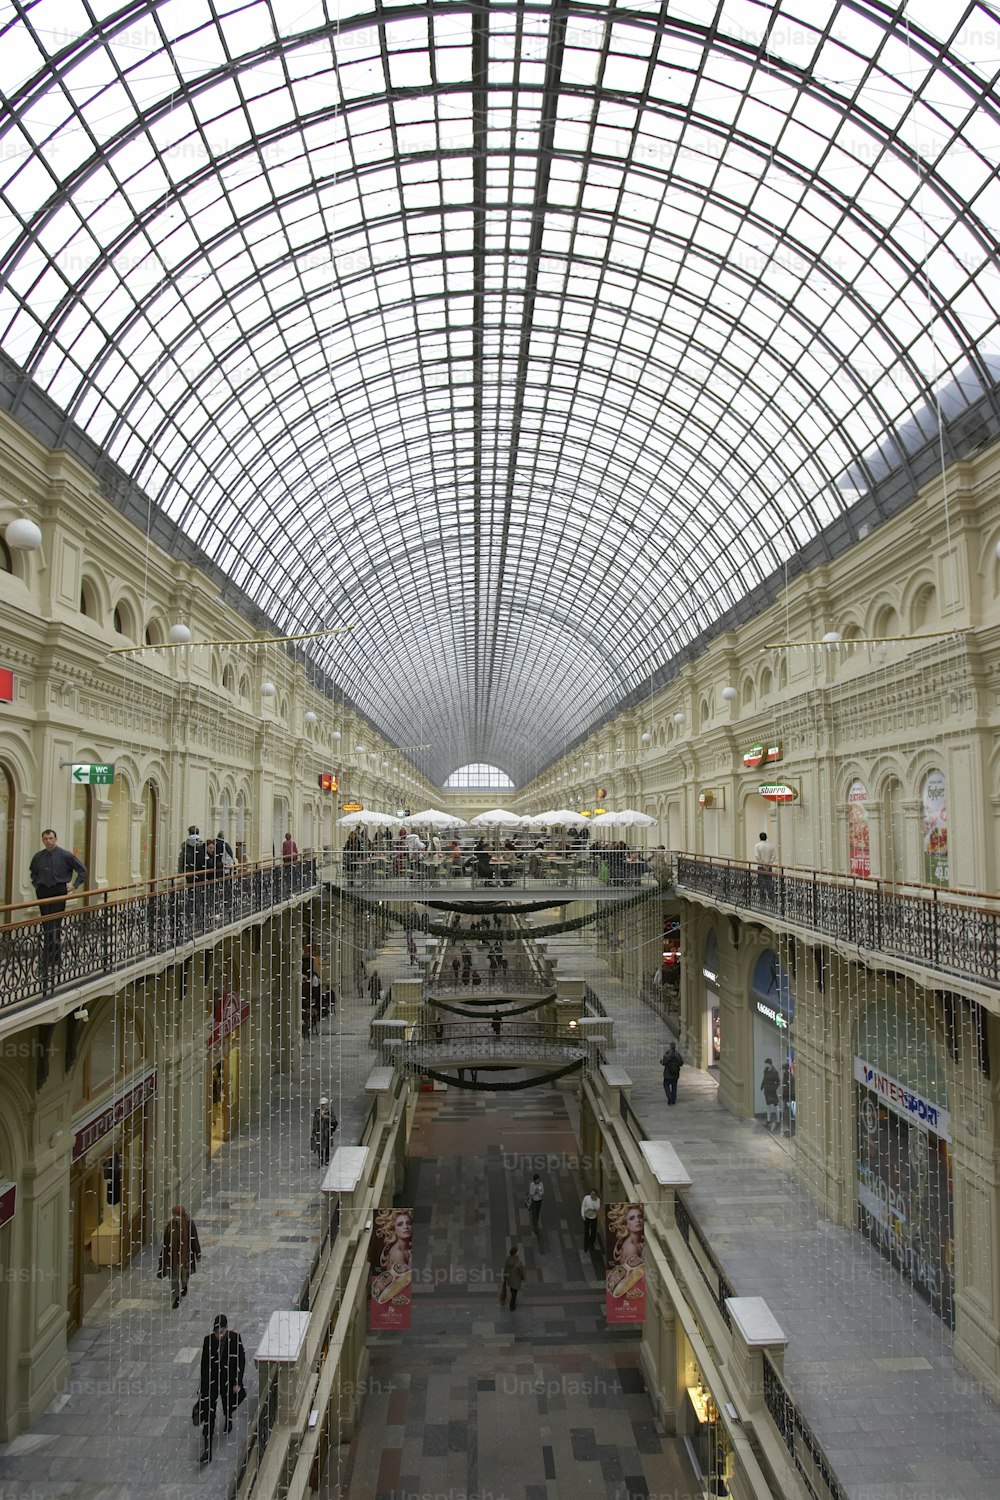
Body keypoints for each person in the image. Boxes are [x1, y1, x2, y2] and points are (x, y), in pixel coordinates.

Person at [28, 829, 87, 972]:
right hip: (43, 892)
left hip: (58, 892)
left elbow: (82, 870)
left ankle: (52, 960)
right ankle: (51, 960)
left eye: (51, 838)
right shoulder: (38, 857)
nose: (48, 841)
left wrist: (74, 885)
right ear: (43, 840)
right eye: (46, 838)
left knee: (54, 926)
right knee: (46, 925)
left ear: (55, 839)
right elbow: (33, 873)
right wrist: (36, 885)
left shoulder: (65, 855)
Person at [197, 1314, 246, 1463]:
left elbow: (241, 1360)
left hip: (228, 1379)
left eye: (221, 1332)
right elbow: (204, 1365)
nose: (218, 1335)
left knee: (228, 1401)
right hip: (212, 1382)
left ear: (226, 1330)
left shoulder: (235, 1338)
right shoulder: (208, 1341)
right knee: (209, 1413)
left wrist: (237, 1381)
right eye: (216, 1332)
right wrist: (203, 1387)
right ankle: (207, 1449)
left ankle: (228, 1418)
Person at [158, 1205, 201, 1309]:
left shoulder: (189, 1223)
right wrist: (162, 1257)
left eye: (176, 1215)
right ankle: (176, 1297)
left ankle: (184, 1285)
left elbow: (194, 1238)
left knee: (184, 1275)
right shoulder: (170, 1225)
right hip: (172, 1257)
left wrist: (197, 1253)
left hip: (185, 1256)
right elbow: (166, 1242)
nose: (175, 1217)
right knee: (173, 1278)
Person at [608, 1202, 645, 1267]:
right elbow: (635, 1276)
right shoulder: (631, 1248)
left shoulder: (640, 1241)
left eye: (640, 1217)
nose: (637, 1220)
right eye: (632, 1218)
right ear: (626, 1224)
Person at [311, 1095, 338, 1164]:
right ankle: (321, 1160)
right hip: (319, 1131)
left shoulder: (330, 1110)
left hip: (327, 1131)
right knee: (319, 1146)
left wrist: (327, 1118)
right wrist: (313, 1132)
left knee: (327, 1146)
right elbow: (315, 1121)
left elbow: (334, 1119)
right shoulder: (317, 1111)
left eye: (324, 1104)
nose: (322, 1106)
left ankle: (327, 1159)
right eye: (321, 1104)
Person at [754, 830, 776, 904]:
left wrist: (763, 864)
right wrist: (769, 864)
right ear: (766, 837)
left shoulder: (757, 846)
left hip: (761, 866)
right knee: (769, 882)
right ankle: (771, 897)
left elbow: (757, 856)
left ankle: (762, 898)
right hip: (769, 867)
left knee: (761, 882)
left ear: (760, 838)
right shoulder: (771, 845)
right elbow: (774, 856)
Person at [502, 1243, 526, 1310]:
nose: (518, 1252)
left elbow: (505, 1270)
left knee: (512, 1290)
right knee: (514, 1295)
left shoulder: (508, 1260)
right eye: (517, 1251)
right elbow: (521, 1272)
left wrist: (505, 1278)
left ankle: (512, 1303)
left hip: (510, 1280)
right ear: (515, 1253)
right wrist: (522, 1277)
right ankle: (512, 1306)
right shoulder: (518, 1263)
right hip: (516, 1281)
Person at [761, 1057, 781, 1131]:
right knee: (768, 1105)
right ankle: (768, 1120)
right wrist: (762, 1086)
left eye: (766, 1063)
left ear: (769, 1064)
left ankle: (778, 1120)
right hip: (767, 1090)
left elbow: (778, 1082)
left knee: (776, 1105)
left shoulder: (774, 1072)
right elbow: (764, 1078)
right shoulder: (766, 1070)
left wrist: (774, 1088)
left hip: (772, 1091)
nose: (765, 1065)